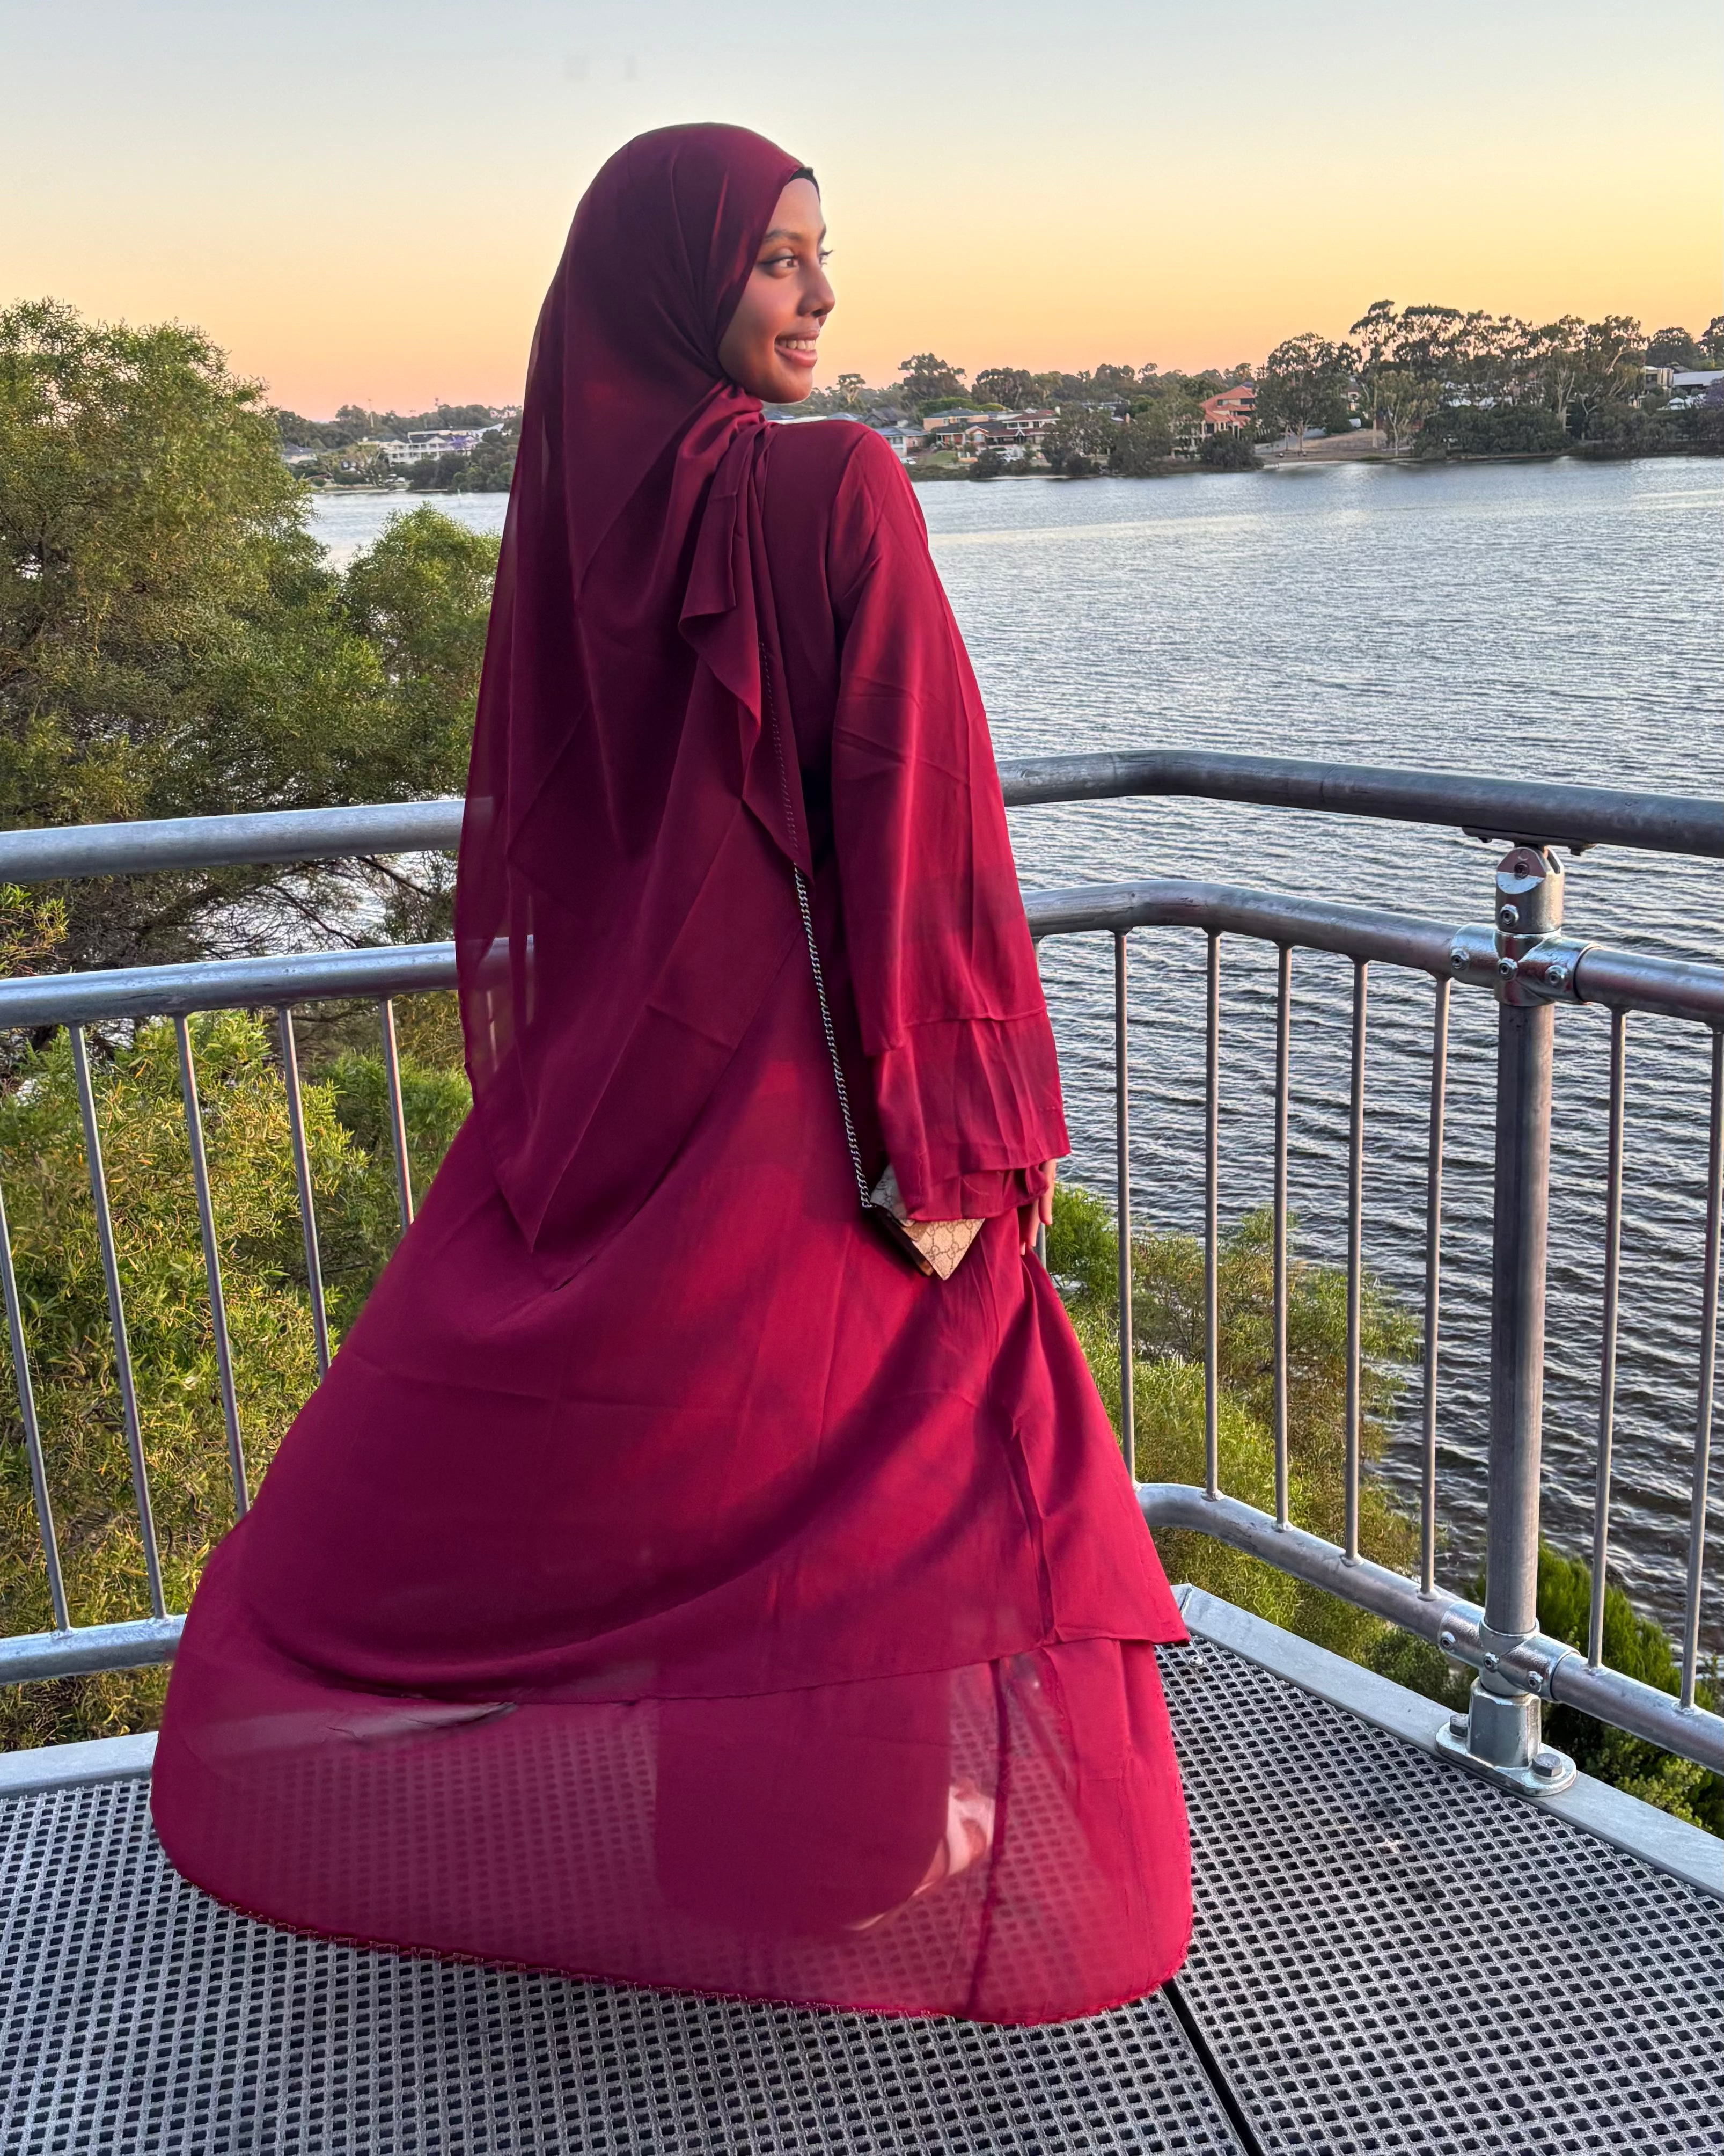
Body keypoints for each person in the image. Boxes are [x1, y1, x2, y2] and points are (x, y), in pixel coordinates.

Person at [151, 123, 1191, 2025]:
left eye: (821, 253)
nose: (821, 294)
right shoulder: (836, 490)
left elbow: (577, 838)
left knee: (708, 1472)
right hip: (824, 1109)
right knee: (880, 1479)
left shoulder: (584, 515)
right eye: (781, 258)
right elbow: (918, 825)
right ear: (684, 280)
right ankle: (833, 1870)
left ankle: (713, 1850)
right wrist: (957, 1138)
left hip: (628, 1094)